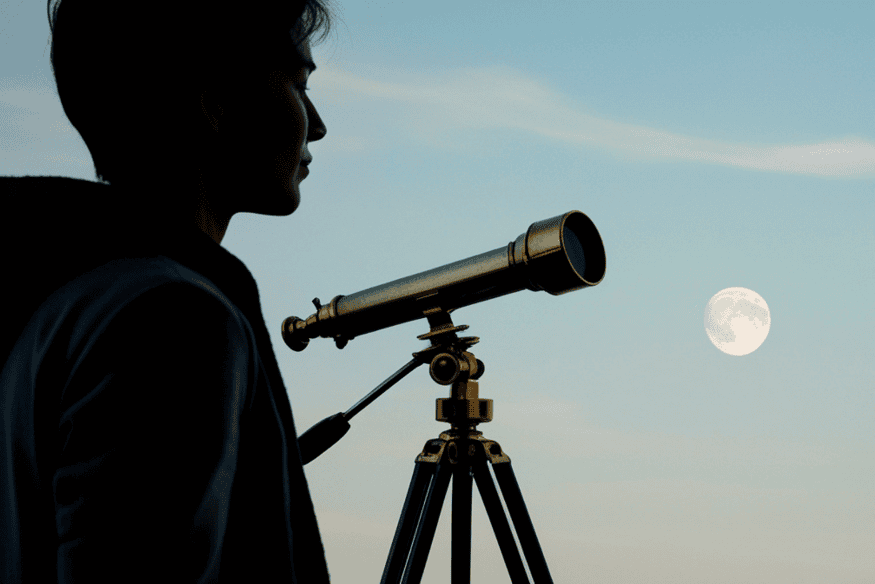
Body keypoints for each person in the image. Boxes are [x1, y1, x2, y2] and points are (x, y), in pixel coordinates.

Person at [0, 0, 339, 581]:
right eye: (299, 84)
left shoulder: (55, 301)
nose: (318, 123)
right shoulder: (174, 321)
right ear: (216, 102)